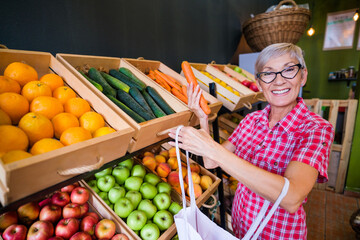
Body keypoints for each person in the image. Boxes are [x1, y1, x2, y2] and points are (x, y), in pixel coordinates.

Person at [168, 43, 334, 239]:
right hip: (240, 226)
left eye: (288, 70)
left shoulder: (316, 129)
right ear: (259, 82)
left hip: (279, 234)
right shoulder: (250, 121)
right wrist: (202, 118)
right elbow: (212, 162)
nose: (278, 81)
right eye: (268, 73)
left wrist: (212, 149)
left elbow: (291, 198)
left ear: (303, 76)